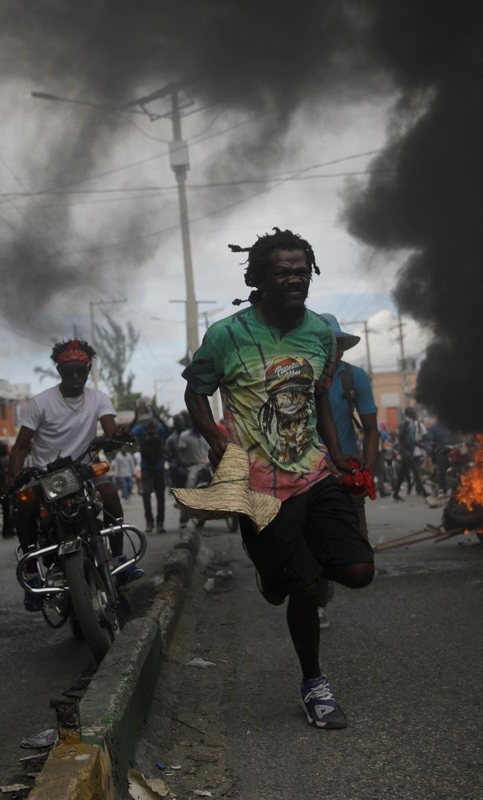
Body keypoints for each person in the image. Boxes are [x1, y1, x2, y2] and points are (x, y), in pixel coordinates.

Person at [183, 226, 374, 729]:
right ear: (259, 278)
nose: (295, 279)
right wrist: (216, 439)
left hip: (315, 472)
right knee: (306, 591)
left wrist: (337, 454)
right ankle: (315, 684)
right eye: (283, 272)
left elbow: (318, 399)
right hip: (260, 489)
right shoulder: (227, 335)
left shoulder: (320, 335)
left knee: (359, 572)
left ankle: (287, 569)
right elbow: (196, 393)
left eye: (302, 271)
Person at [6, 339, 143, 610]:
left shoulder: (98, 398)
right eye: (69, 371)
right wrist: (13, 479)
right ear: (59, 371)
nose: (75, 376)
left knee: (110, 494)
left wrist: (119, 436)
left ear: (88, 369)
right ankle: (33, 575)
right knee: (24, 508)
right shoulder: (40, 403)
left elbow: (110, 428)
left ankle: (117, 560)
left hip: (83, 469)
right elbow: (22, 446)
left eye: (81, 370)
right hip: (46, 475)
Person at [318, 312, 381, 629]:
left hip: (346, 472)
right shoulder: (297, 377)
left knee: (356, 541)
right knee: (312, 535)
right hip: (307, 473)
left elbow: (371, 429)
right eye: (326, 345)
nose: (333, 352)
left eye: (337, 345)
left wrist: (367, 468)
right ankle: (317, 597)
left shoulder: (354, 378)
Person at [132, 408, 169, 533]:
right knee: (147, 495)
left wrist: (158, 418)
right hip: (146, 468)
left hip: (157, 468)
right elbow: (128, 434)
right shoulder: (142, 430)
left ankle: (159, 523)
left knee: (159, 496)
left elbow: (169, 431)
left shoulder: (157, 428)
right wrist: (136, 418)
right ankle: (150, 521)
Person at [173, 412, 210, 529]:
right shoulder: (184, 435)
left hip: (207, 466)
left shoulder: (206, 435)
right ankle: (183, 519)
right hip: (192, 466)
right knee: (190, 487)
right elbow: (180, 452)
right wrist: (185, 462)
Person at [393, 406, 429, 500]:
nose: (413, 413)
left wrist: (423, 447)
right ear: (407, 414)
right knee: (416, 471)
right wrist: (405, 426)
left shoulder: (413, 424)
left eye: (413, 411)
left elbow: (412, 441)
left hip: (410, 450)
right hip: (405, 452)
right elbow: (400, 437)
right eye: (410, 412)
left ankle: (395, 494)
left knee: (402, 473)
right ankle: (424, 493)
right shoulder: (404, 424)